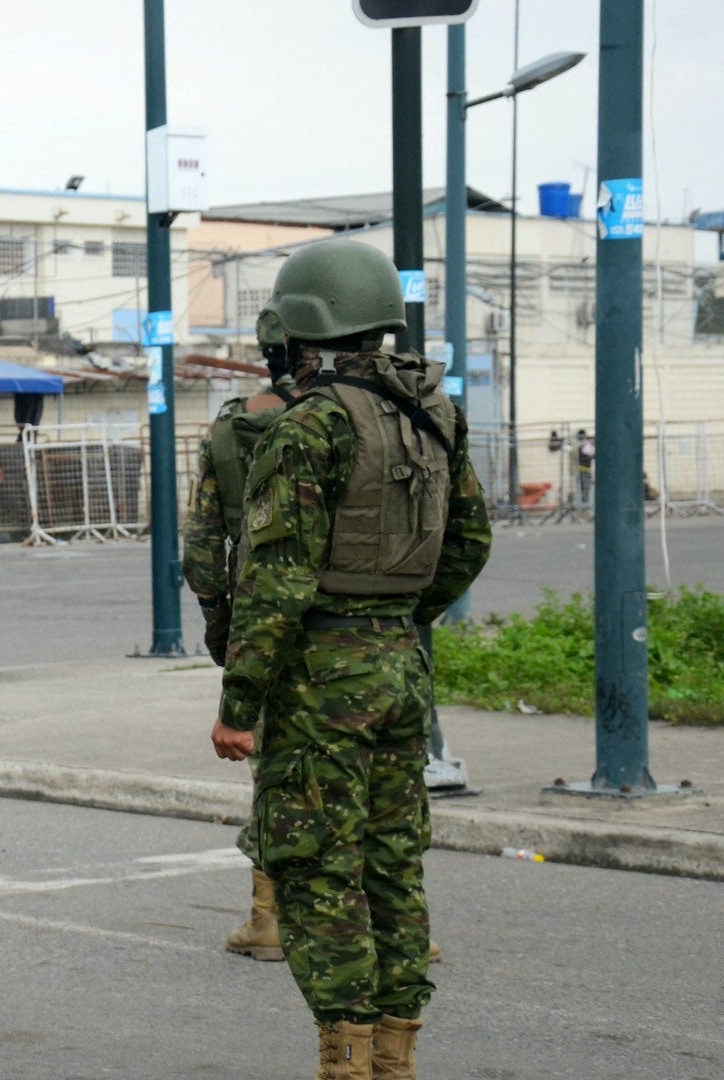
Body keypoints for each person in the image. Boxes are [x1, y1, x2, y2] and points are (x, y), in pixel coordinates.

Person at [210, 240, 491, 1079]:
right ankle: (397, 1059)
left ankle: (346, 1062)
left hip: (321, 680)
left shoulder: (311, 424)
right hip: (402, 665)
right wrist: (395, 617)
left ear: (303, 329)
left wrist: (240, 703)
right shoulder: (433, 411)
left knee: (318, 873)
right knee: (392, 864)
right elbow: (470, 542)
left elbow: (276, 583)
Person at [183, 310, 298, 963]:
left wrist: (229, 642)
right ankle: (395, 922)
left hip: (267, 625)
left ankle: (270, 917)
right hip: (369, 634)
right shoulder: (384, 418)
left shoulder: (235, 428)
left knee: (280, 773)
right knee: (376, 770)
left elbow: (203, 552)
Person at [574, 428, 595, 506]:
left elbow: (589, 454)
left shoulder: (584, 445)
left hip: (583, 469)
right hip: (585, 469)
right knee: (585, 487)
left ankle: (584, 503)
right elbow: (590, 454)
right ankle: (584, 503)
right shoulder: (586, 445)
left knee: (584, 487)